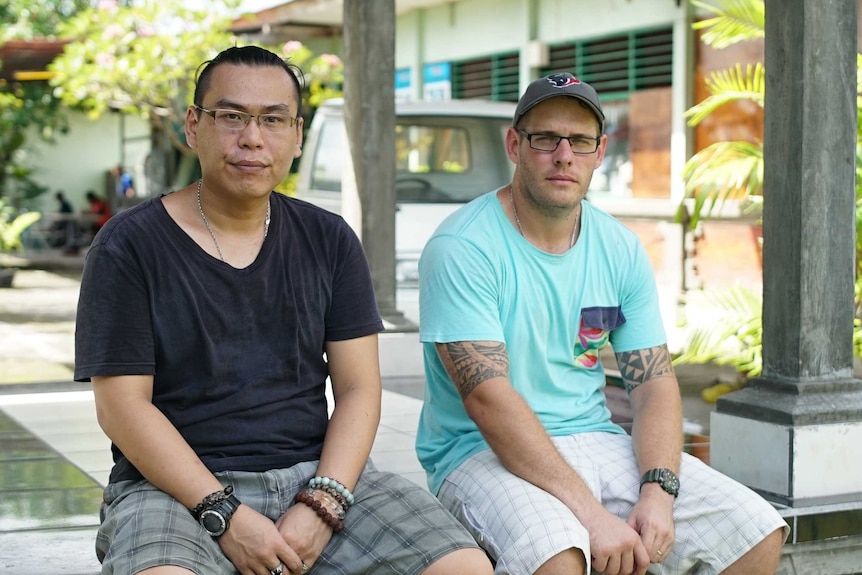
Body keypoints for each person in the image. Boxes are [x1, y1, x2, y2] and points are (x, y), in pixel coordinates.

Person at [74, 45, 492, 575]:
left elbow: (360, 389)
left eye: (272, 120)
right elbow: (122, 408)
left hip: (313, 474)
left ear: (296, 135)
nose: (252, 137)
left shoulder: (329, 238)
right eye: (231, 117)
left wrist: (326, 499)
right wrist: (223, 511)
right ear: (193, 125)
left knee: (464, 567)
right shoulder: (128, 245)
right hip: (173, 486)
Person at [416, 72, 788, 575]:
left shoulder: (619, 247)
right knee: (562, 556)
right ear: (515, 145)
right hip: (478, 451)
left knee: (754, 531)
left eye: (581, 141)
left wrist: (659, 488)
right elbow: (488, 398)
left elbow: (654, 382)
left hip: (593, 437)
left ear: (600, 151)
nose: (563, 154)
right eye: (545, 138)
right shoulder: (462, 247)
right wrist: (592, 516)